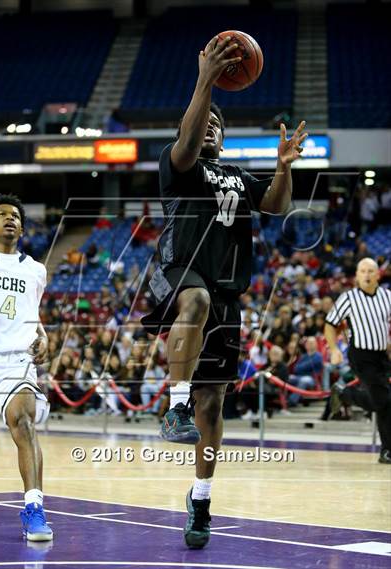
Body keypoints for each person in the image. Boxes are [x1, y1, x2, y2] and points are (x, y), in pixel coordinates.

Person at [141, 34, 307, 548]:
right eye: (202, 121)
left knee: (214, 408)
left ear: (227, 138)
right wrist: (206, 81)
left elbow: (277, 206)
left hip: (227, 292)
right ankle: (174, 406)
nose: (208, 126)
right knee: (195, 300)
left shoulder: (235, 174)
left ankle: (201, 500)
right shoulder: (178, 161)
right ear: (186, 130)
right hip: (177, 272)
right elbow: (191, 136)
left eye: (217, 123)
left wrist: (282, 169)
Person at [0, 194, 53, 540]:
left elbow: (31, 314)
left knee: (23, 422)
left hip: (15, 362)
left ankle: (34, 508)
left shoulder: (35, 270)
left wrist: (44, 335)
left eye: (16, 215)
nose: (10, 219)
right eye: (2, 214)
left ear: (22, 227)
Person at [324, 257, 391, 464]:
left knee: (385, 403)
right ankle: (345, 393)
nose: (367, 275)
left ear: (378, 274)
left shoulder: (388, 296)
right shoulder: (349, 298)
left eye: (371, 271)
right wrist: (334, 349)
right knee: (384, 400)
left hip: (382, 356)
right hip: (361, 355)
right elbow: (330, 323)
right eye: (362, 271)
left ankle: (387, 450)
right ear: (357, 276)